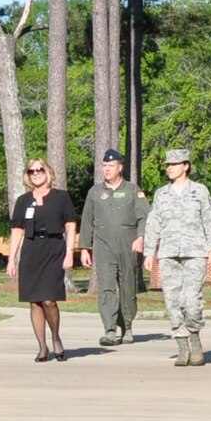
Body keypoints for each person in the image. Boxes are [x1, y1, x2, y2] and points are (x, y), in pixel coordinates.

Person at [143, 147, 211, 367]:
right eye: (168, 165)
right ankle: (181, 345)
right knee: (173, 301)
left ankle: (195, 341)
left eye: (174, 164)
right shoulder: (161, 194)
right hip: (169, 253)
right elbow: (154, 222)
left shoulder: (200, 191)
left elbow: (210, 219)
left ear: (185, 166)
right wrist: (150, 251)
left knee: (192, 300)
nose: (169, 168)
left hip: (195, 252)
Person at [8, 158, 78, 361]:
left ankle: (56, 337)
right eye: (32, 171)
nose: (36, 173)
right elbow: (17, 230)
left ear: (48, 171)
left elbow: (71, 226)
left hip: (54, 248)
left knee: (49, 300)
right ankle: (42, 347)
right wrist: (12, 259)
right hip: (31, 251)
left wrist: (69, 252)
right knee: (35, 302)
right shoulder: (23, 200)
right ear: (28, 175)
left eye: (40, 169)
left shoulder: (61, 197)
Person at [79, 148, 148, 347]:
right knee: (107, 287)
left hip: (128, 244)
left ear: (120, 167)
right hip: (103, 246)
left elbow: (145, 216)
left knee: (128, 287)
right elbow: (87, 221)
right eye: (104, 166)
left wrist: (141, 237)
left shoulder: (133, 190)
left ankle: (127, 325)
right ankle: (109, 329)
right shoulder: (95, 192)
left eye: (110, 166)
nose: (106, 169)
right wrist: (84, 247)